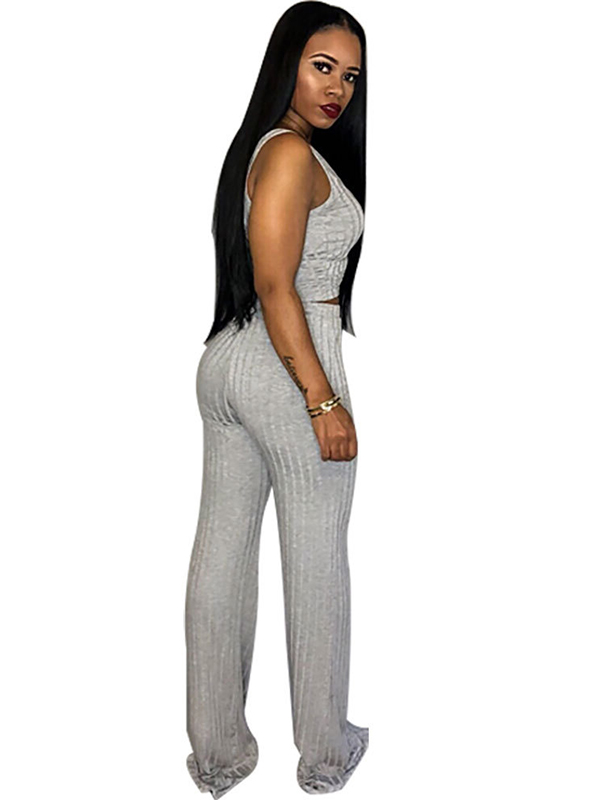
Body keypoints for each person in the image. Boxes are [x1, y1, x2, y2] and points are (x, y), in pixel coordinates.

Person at [184, 3, 369, 796]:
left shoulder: (262, 147)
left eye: (351, 75)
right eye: (322, 66)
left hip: (231, 360)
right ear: (286, 61)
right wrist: (322, 402)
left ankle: (218, 754)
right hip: (288, 363)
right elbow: (275, 283)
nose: (338, 88)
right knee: (317, 559)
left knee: (222, 553)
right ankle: (326, 752)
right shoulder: (291, 152)